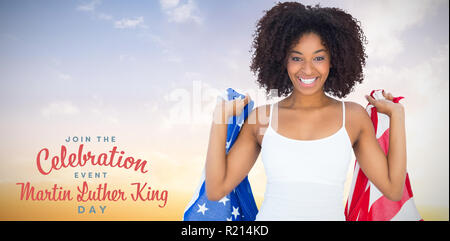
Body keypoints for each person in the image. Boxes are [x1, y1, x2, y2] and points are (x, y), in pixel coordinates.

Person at [204, 2, 407, 221]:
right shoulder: (262, 119)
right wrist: (219, 119)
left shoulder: (353, 117)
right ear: (282, 60)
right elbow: (216, 190)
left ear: (334, 60)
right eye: (297, 58)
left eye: (319, 58)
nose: (308, 69)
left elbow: (393, 189)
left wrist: (398, 116)